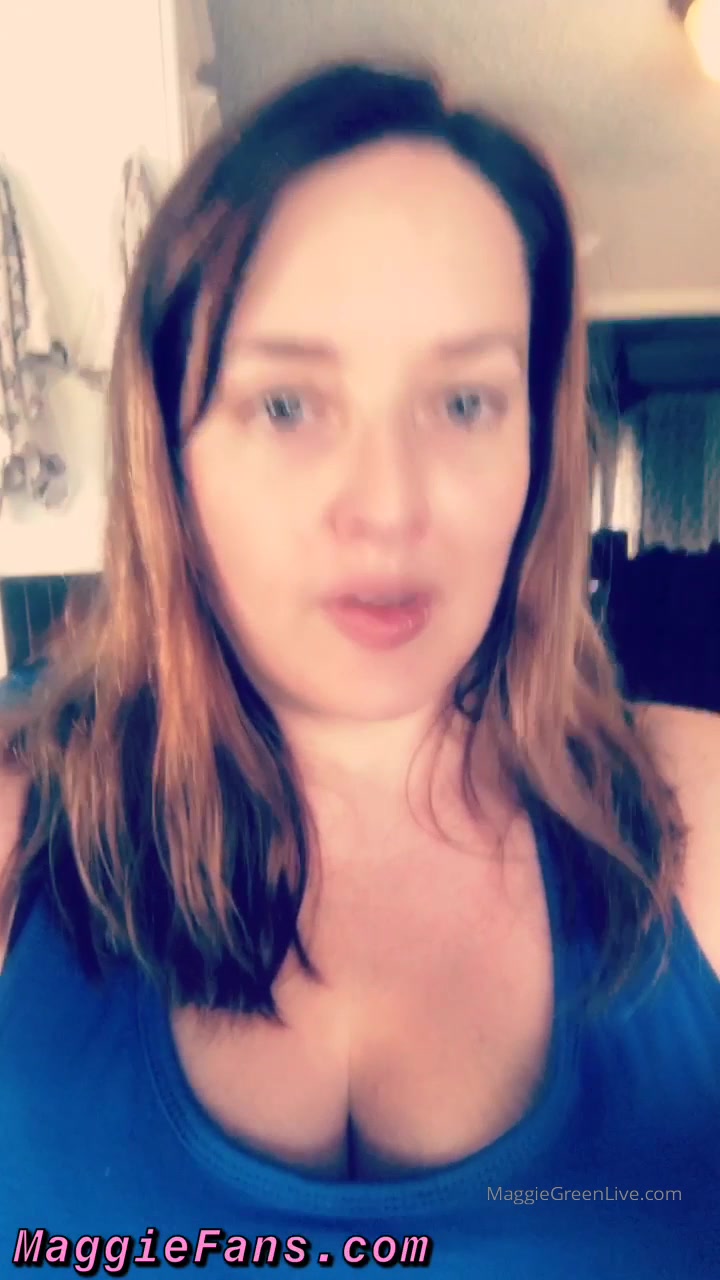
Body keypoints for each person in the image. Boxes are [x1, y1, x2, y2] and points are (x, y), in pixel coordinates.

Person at [0, 62, 718, 1278]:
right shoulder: (19, 828)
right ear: (171, 453)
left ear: (540, 448)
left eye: (465, 402)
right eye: (287, 404)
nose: (388, 507)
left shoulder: (702, 812)